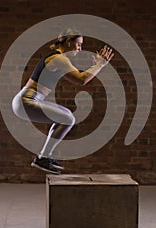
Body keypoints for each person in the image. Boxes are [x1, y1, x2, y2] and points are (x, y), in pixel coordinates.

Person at [12, 28, 114, 174]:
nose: (80, 48)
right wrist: (100, 64)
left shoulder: (57, 59)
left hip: (27, 100)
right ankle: (43, 158)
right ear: (68, 41)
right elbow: (82, 79)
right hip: (26, 101)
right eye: (78, 44)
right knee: (67, 118)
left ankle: (44, 156)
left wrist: (96, 66)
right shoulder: (59, 58)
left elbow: (78, 77)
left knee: (65, 114)